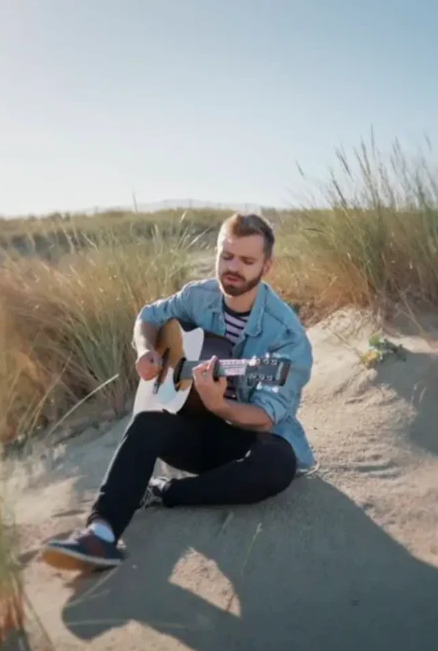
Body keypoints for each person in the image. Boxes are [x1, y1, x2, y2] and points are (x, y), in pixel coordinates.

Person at [39, 212, 315, 571]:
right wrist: (146, 352)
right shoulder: (198, 296)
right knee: (147, 423)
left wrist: (219, 405)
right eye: (227, 256)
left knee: (279, 465)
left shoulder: (287, 336)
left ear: (267, 266)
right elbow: (148, 317)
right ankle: (101, 533)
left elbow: (265, 417)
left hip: (250, 443)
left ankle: (163, 491)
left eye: (247, 261)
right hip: (198, 432)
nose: (233, 268)